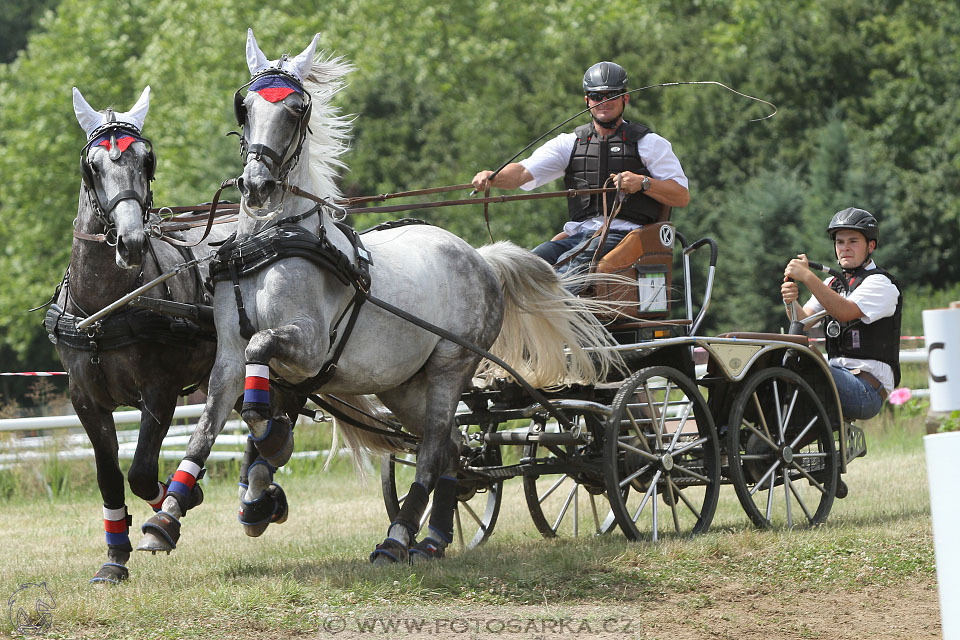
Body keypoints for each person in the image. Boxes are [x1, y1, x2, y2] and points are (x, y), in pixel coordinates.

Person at [471, 61, 689, 272]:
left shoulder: (649, 144)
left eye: (611, 95)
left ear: (625, 98)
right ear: (587, 100)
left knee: (564, 272)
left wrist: (643, 183)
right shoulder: (569, 143)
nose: (604, 102)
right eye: (596, 96)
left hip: (625, 237)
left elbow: (681, 196)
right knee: (525, 269)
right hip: (578, 236)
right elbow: (521, 173)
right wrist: (493, 177)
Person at [781, 208, 902, 420]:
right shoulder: (832, 284)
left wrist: (808, 277)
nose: (845, 248)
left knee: (803, 359)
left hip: (865, 390)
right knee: (781, 367)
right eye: (840, 242)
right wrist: (790, 301)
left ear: (870, 246)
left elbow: (845, 312)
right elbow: (801, 320)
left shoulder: (881, 283)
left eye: (853, 241)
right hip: (837, 378)